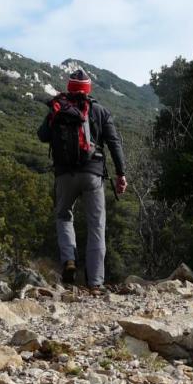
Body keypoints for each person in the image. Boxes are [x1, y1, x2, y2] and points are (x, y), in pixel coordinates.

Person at [37, 69, 128, 294]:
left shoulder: (59, 109)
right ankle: (95, 283)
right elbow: (114, 143)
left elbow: (42, 135)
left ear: (69, 87)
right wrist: (121, 174)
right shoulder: (99, 111)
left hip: (64, 175)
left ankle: (69, 259)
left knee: (63, 215)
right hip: (92, 174)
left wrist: (54, 116)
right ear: (89, 88)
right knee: (96, 225)